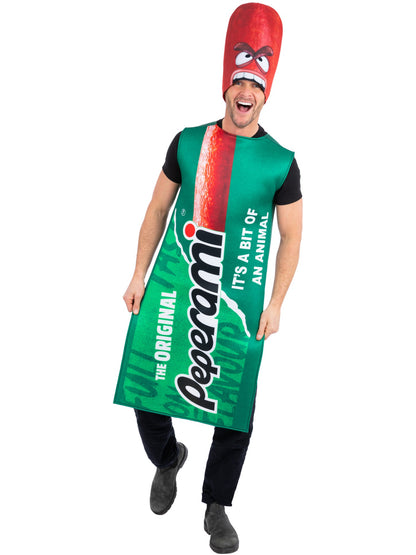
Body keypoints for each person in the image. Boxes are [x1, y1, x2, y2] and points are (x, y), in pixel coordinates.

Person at [122, 4, 302, 553]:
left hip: (240, 302)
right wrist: (137, 274)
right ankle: (166, 458)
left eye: (256, 84)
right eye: (239, 81)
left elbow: (292, 236)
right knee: (147, 382)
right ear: (226, 86)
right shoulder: (187, 141)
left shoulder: (282, 162)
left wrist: (277, 302)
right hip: (176, 284)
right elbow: (157, 209)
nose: (246, 91)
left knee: (235, 406)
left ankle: (216, 506)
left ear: (266, 95)